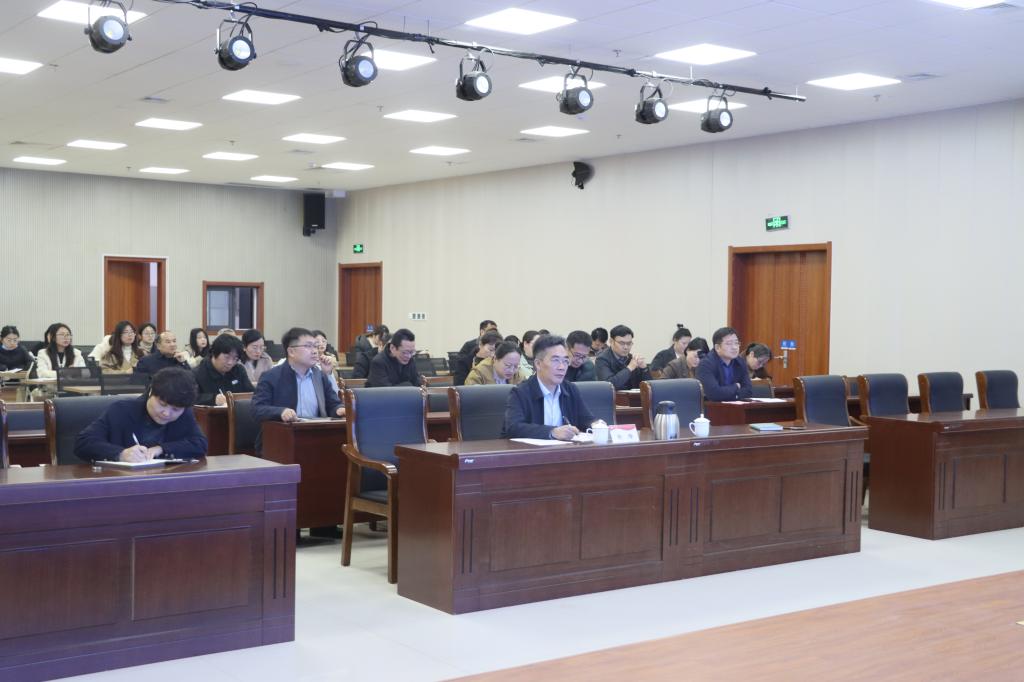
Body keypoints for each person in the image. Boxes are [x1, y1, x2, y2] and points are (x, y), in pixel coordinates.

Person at [73, 367, 207, 462]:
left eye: (175, 410)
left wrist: (161, 449)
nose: (166, 413)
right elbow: (83, 443)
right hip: (121, 482)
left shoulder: (184, 414)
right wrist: (121, 454)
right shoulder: (121, 411)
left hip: (164, 482)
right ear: (151, 392)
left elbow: (200, 444)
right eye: (162, 404)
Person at [252, 327, 345, 452]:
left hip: (316, 438)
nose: (315, 351)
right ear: (291, 351)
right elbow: (257, 409)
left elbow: (333, 404)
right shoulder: (271, 376)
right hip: (281, 440)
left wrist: (339, 409)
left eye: (315, 346)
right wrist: (280, 412)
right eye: (308, 346)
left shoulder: (320, 376)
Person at [502, 334, 596, 440]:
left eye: (565, 361)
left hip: (565, 449)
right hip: (531, 450)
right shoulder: (520, 392)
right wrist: (552, 432)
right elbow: (513, 428)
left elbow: (586, 419)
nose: (562, 367)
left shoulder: (570, 389)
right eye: (555, 360)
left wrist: (598, 425)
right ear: (538, 364)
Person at [192, 333, 254, 406]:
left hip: (238, 412)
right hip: (211, 412)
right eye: (227, 357)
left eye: (235, 358)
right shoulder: (197, 373)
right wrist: (213, 399)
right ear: (215, 353)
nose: (230, 362)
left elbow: (251, 393)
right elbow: (191, 398)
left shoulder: (239, 370)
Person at [696, 326, 753, 401]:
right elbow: (714, 394)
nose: (735, 347)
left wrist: (733, 395)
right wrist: (736, 386)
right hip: (712, 407)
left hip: (736, 406)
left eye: (736, 343)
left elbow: (748, 391)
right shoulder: (706, 364)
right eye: (729, 343)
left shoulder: (740, 362)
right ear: (717, 347)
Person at [595, 324, 651, 390]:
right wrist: (629, 368)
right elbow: (609, 385)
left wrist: (644, 369)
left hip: (633, 396)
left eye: (629, 343)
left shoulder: (631, 359)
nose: (626, 347)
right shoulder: (602, 359)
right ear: (611, 342)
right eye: (621, 343)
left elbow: (649, 388)